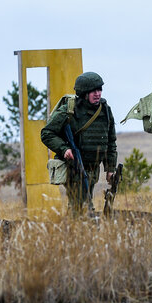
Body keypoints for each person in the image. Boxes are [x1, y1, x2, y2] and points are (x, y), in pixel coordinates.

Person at [41, 71, 117, 214]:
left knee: (80, 205)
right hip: (74, 166)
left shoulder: (105, 110)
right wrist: (64, 149)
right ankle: (80, 230)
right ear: (83, 93)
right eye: (93, 91)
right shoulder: (69, 110)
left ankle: (73, 230)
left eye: (99, 89)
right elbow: (47, 133)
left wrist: (110, 168)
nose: (97, 94)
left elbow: (110, 141)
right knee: (82, 204)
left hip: (93, 168)